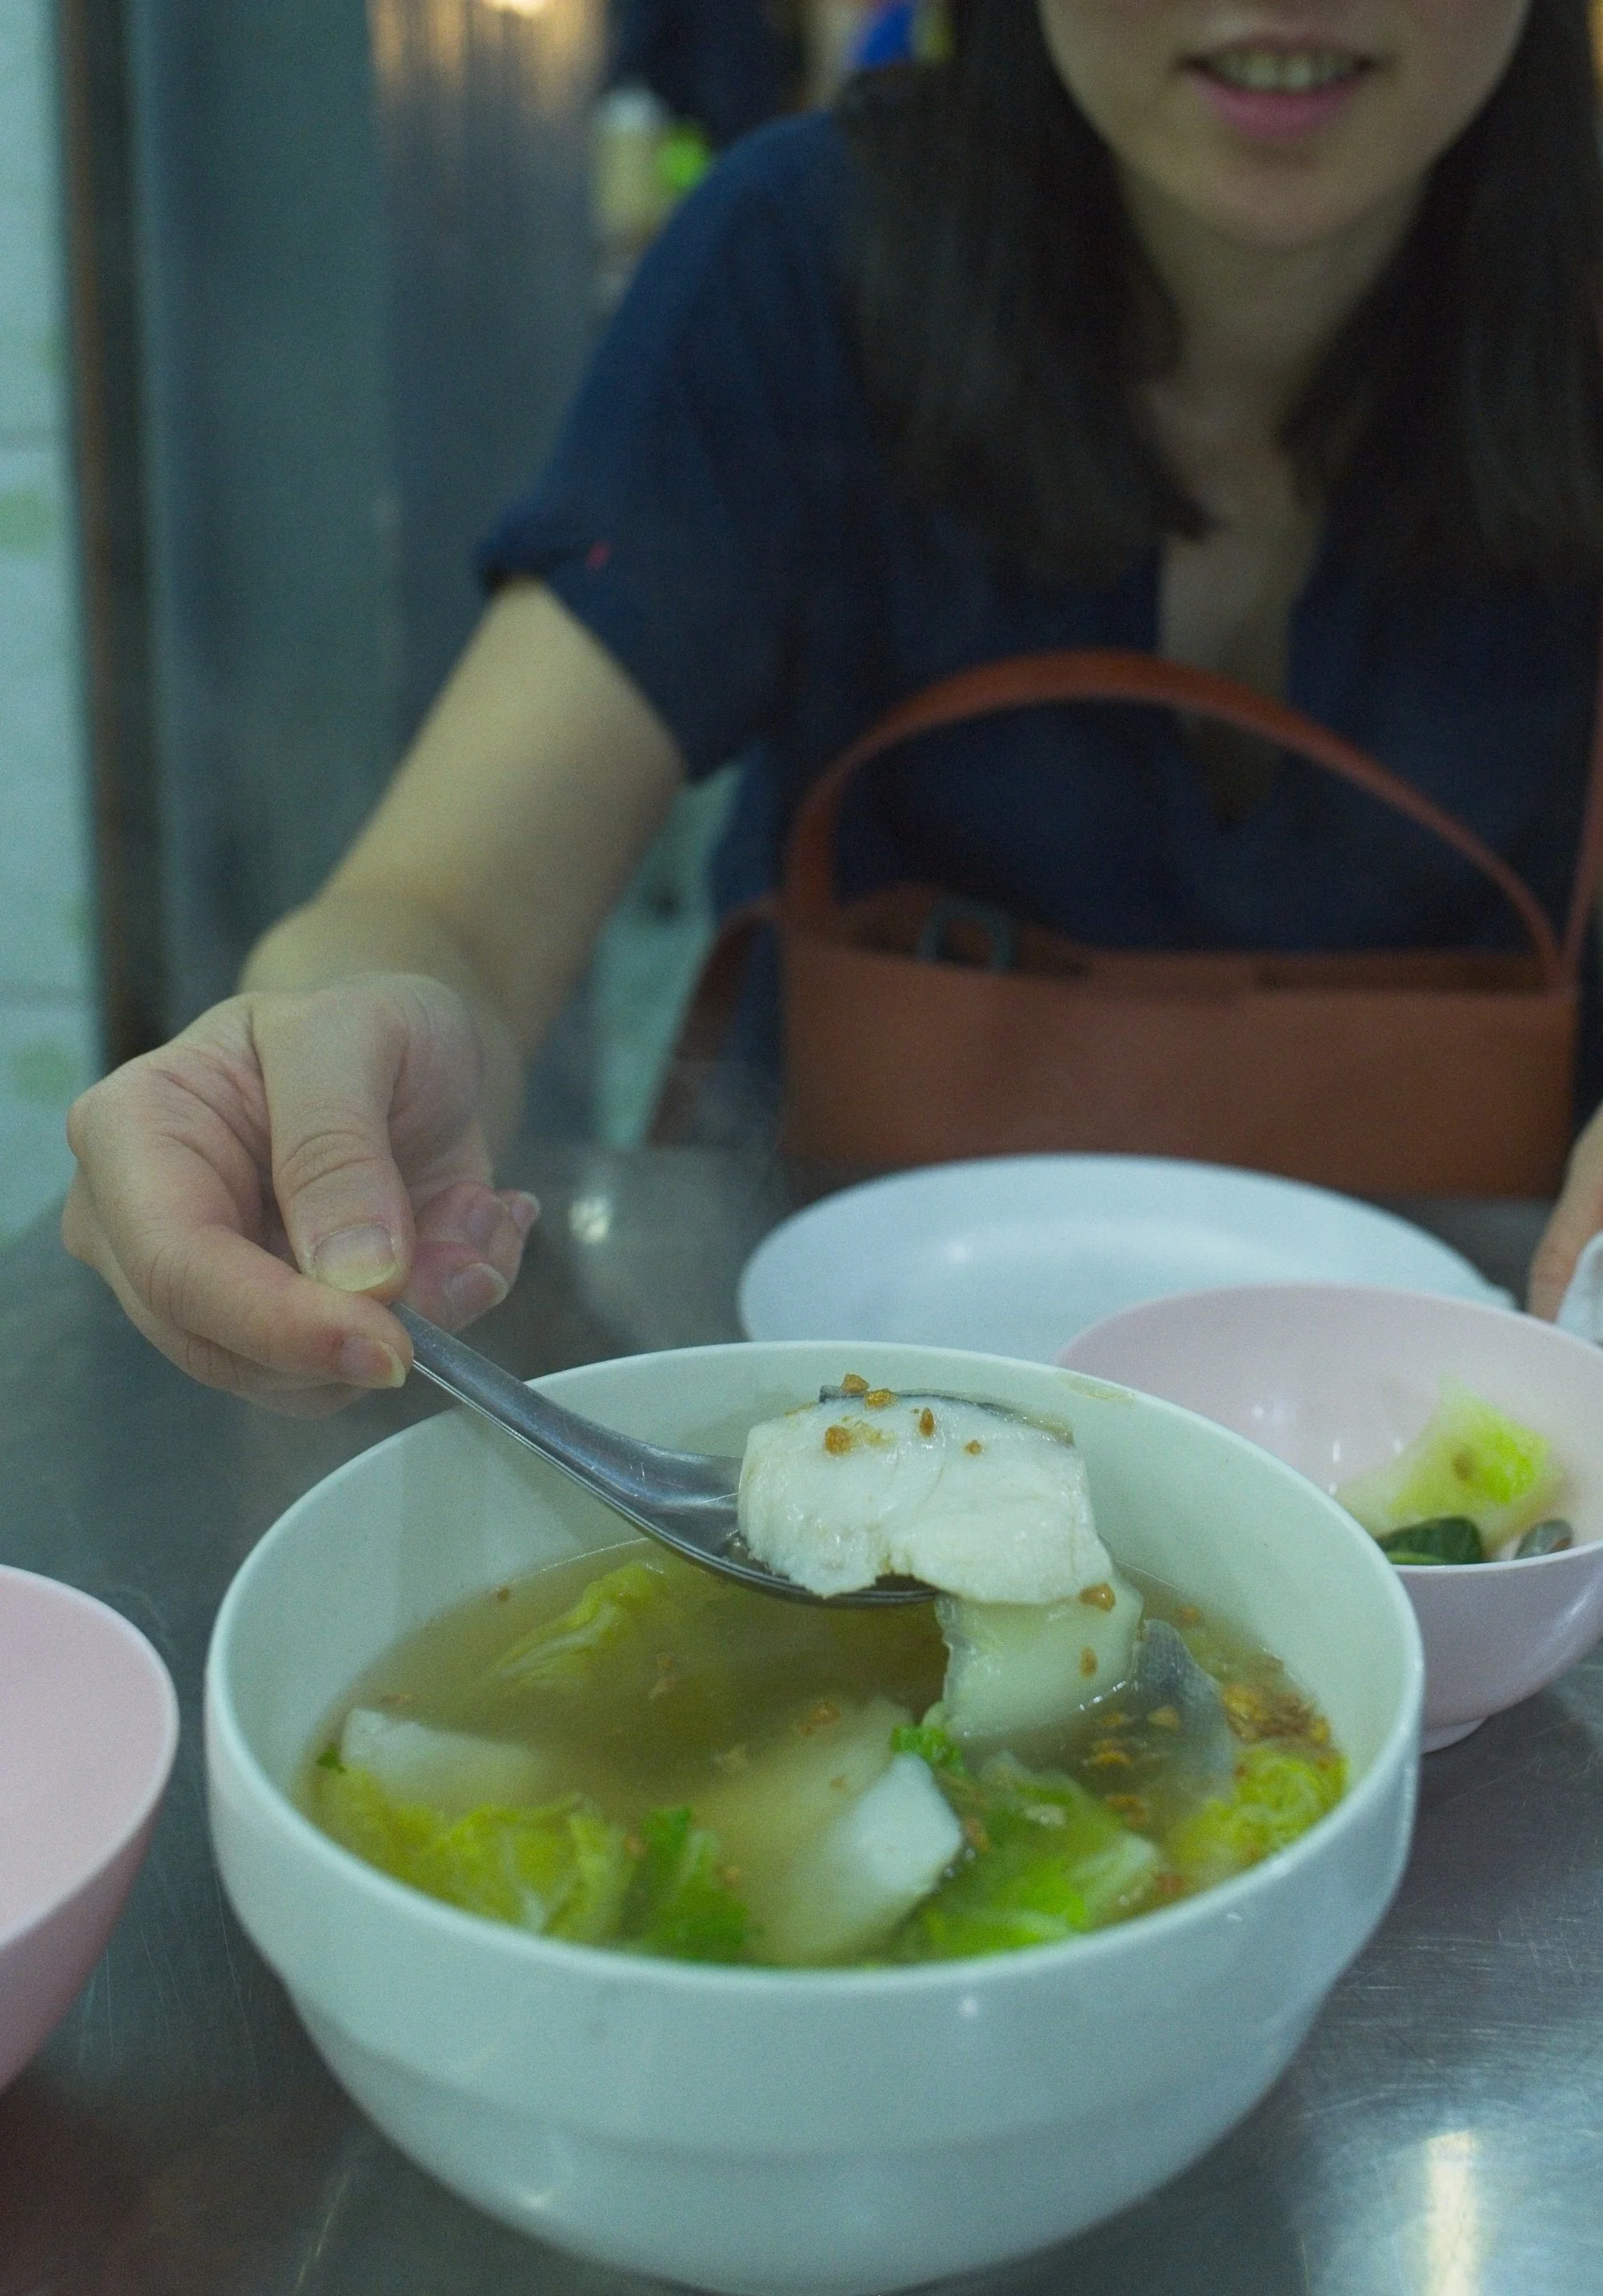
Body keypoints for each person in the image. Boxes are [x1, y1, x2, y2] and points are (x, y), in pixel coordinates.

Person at [62, 0, 1603, 1411]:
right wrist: (326, 1054)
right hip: (836, 1434)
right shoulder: (801, 254)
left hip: (1471, 1467)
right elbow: (445, 910)